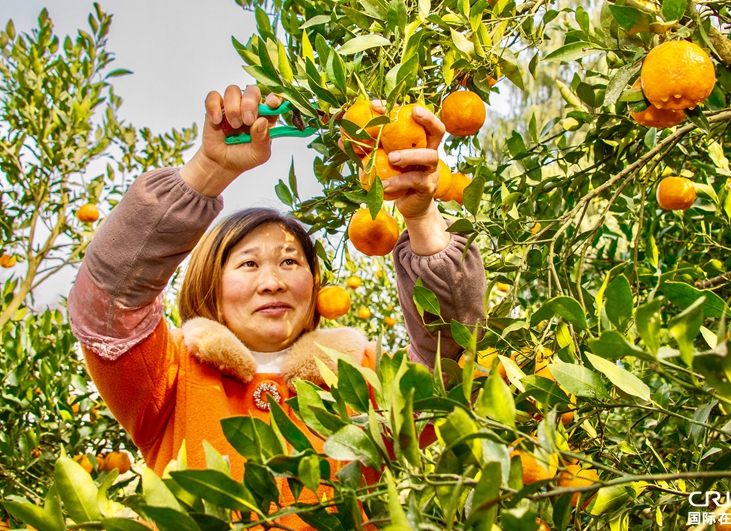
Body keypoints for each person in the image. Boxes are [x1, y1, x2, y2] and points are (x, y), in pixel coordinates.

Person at [67, 85, 486, 526]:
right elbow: (110, 299)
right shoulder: (169, 373)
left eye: (290, 261)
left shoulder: (358, 376)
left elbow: (453, 361)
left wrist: (421, 219)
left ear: (313, 284)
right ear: (210, 281)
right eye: (248, 264)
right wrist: (209, 169)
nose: (272, 281)